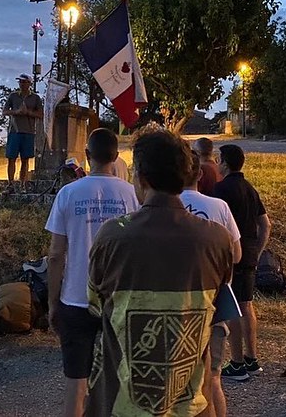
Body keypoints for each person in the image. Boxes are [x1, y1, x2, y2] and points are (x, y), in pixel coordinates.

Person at [86, 128, 234, 417]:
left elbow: (95, 304)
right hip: (191, 404)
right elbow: (217, 304)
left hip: (122, 403)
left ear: (142, 178)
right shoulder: (217, 239)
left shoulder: (111, 237)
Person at [45, 128, 139, 417]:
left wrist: (52, 301)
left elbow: (55, 254)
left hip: (75, 297)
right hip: (118, 297)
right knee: (122, 379)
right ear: (116, 157)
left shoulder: (68, 193)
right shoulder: (131, 194)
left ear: (87, 156)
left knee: (76, 381)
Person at [180, 150, 242, 417]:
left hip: (179, 304)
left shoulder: (166, 207)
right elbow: (236, 255)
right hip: (215, 302)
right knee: (213, 377)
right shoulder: (219, 207)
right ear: (201, 174)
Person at [212, 143, 271, 381]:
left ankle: (236, 363)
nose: (217, 164)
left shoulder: (221, 190)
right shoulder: (250, 188)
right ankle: (251, 358)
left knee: (232, 307)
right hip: (249, 252)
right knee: (247, 304)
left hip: (231, 254)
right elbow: (266, 224)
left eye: (219, 160)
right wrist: (258, 249)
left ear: (225, 163)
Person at [3, 73, 43, 186]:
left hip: (29, 132)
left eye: (24, 82)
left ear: (30, 83)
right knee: (11, 158)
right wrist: (16, 112)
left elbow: (41, 114)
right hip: (14, 131)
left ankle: (22, 183)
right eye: (20, 81)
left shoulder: (35, 98)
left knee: (25, 159)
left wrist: (28, 113)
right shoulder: (13, 96)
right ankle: (10, 183)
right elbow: (4, 111)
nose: (22, 84)